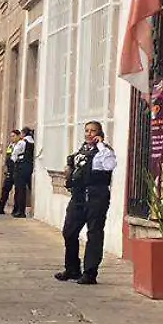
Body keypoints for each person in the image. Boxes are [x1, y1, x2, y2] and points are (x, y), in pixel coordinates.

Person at [57, 121, 118, 285]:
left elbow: (110, 165)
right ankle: (72, 269)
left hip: (96, 197)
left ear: (100, 134)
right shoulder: (81, 151)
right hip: (78, 196)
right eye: (87, 131)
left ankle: (90, 273)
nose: (89, 134)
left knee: (94, 233)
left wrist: (101, 146)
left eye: (93, 131)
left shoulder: (105, 151)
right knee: (69, 231)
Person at [0, 129, 24, 214]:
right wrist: (5, 166)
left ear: (19, 135)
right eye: (11, 136)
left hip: (17, 168)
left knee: (18, 190)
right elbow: (8, 156)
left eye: (13, 136)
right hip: (10, 168)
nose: (12, 138)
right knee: (5, 188)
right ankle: (0, 207)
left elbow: (15, 156)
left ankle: (16, 209)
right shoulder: (11, 145)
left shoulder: (21, 144)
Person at [12, 127, 37, 218]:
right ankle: (21, 210)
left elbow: (14, 155)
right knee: (26, 189)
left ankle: (20, 210)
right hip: (29, 167)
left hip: (20, 167)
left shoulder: (22, 142)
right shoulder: (33, 142)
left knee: (20, 190)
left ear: (23, 134)